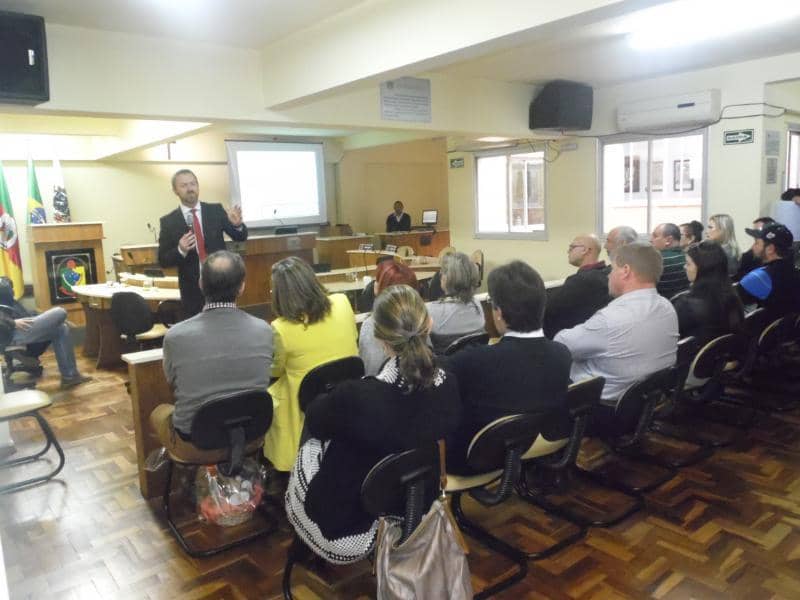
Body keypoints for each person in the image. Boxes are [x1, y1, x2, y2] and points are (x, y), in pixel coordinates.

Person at [285, 285, 460, 564]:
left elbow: (316, 420)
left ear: (380, 339)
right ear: (430, 323)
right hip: (415, 509)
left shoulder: (358, 397)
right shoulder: (448, 382)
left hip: (347, 532)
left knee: (312, 441)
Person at [445, 261, 571, 474]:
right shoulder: (562, 353)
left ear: (499, 312)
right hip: (535, 444)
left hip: (474, 460)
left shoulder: (473, 361)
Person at [150, 251, 272, 450]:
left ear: (200, 284)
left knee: (158, 414)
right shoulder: (264, 330)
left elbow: (171, 382)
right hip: (252, 432)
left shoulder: (175, 336)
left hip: (195, 437)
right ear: (242, 287)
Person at [555, 242, 678, 435]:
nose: (609, 276)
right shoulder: (667, 307)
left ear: (626, 271)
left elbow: (560, 347)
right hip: (643, 404)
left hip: (602, 411)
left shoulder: (610, 319)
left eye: (612, 269)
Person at [264, 256, 358, 472]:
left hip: (305, 409)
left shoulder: (280, 328)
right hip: (347, 394)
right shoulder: (343, 303)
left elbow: (276, 370)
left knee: (273, 392)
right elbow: (353, 337)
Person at [158, 169, 248, 318]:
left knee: (224, 324)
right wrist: (180, 250)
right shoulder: (169, 221)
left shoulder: (215, 210)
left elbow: (240, 237)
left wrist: (237, 225)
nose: (190, 188)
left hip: (222, 283)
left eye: (193, 183)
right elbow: (163, 260)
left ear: (198, 186)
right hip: (191, 290)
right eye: (184, 185)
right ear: (175, 190)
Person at [672, 241, 744, 344]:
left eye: (688, 264)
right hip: (725, 356)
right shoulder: (732, 296)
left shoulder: (685, 305)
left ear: (703, 269)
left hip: (692, 357)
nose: (684, 267)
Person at [544, 234, 611, 338]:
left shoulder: (582, 281)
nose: (568, 251)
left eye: (572, 247)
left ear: (585, 250)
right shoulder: (606, 273)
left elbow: (549, 308)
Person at [359, 260, 419, 375]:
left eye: (377, 281)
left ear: (380, 289)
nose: (374, 284)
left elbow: (369, 372)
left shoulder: (370, 325)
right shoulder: (421, 320)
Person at [426, 251, 485, 352]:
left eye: (442, 272)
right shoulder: (477, 305)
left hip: (443, 364)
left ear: (445, 278)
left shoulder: (429, 310)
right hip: (475, 362)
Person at [739, 223, 799, 319]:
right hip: (789, 332)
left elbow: (728, 303)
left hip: (760, 332)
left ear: (770, 249)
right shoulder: (795, 272)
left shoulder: (760, 277)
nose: (753, 247)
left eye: (757, 243)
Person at [650, 223, 690, 298]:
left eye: (655, 236)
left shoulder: (656, 260)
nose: (651, 240)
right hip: (683, 305)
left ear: (668, 240)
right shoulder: (688, 257)